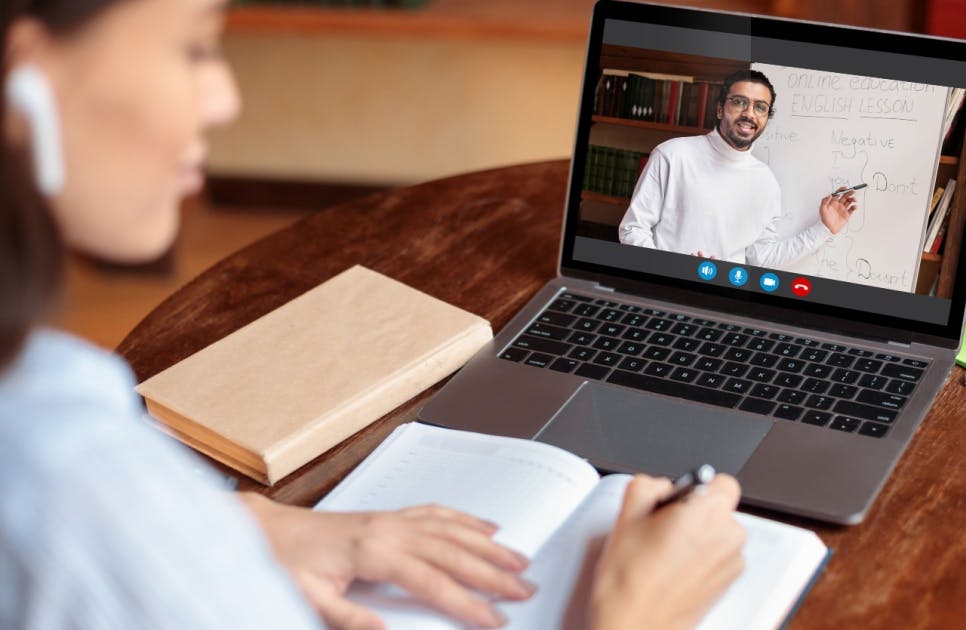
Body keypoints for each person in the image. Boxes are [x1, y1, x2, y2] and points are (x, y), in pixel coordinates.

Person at [0, 1, 747, 629]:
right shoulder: (72, 485)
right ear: (27, 77)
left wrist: (254, 524)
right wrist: (637, 614)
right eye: (192, 48)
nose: (225, 98)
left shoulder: (50, 380)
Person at [618, 69, 857, 267]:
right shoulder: (672, 155)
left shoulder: (766, 181)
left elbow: (760, 257)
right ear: (720, 109)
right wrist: (675, 270)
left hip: (723, 301)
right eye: (740, 102)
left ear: (766, 118)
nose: (749, 114)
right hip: (664, 294)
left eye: (760, 107)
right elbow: (632, 230)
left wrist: (823, 229)